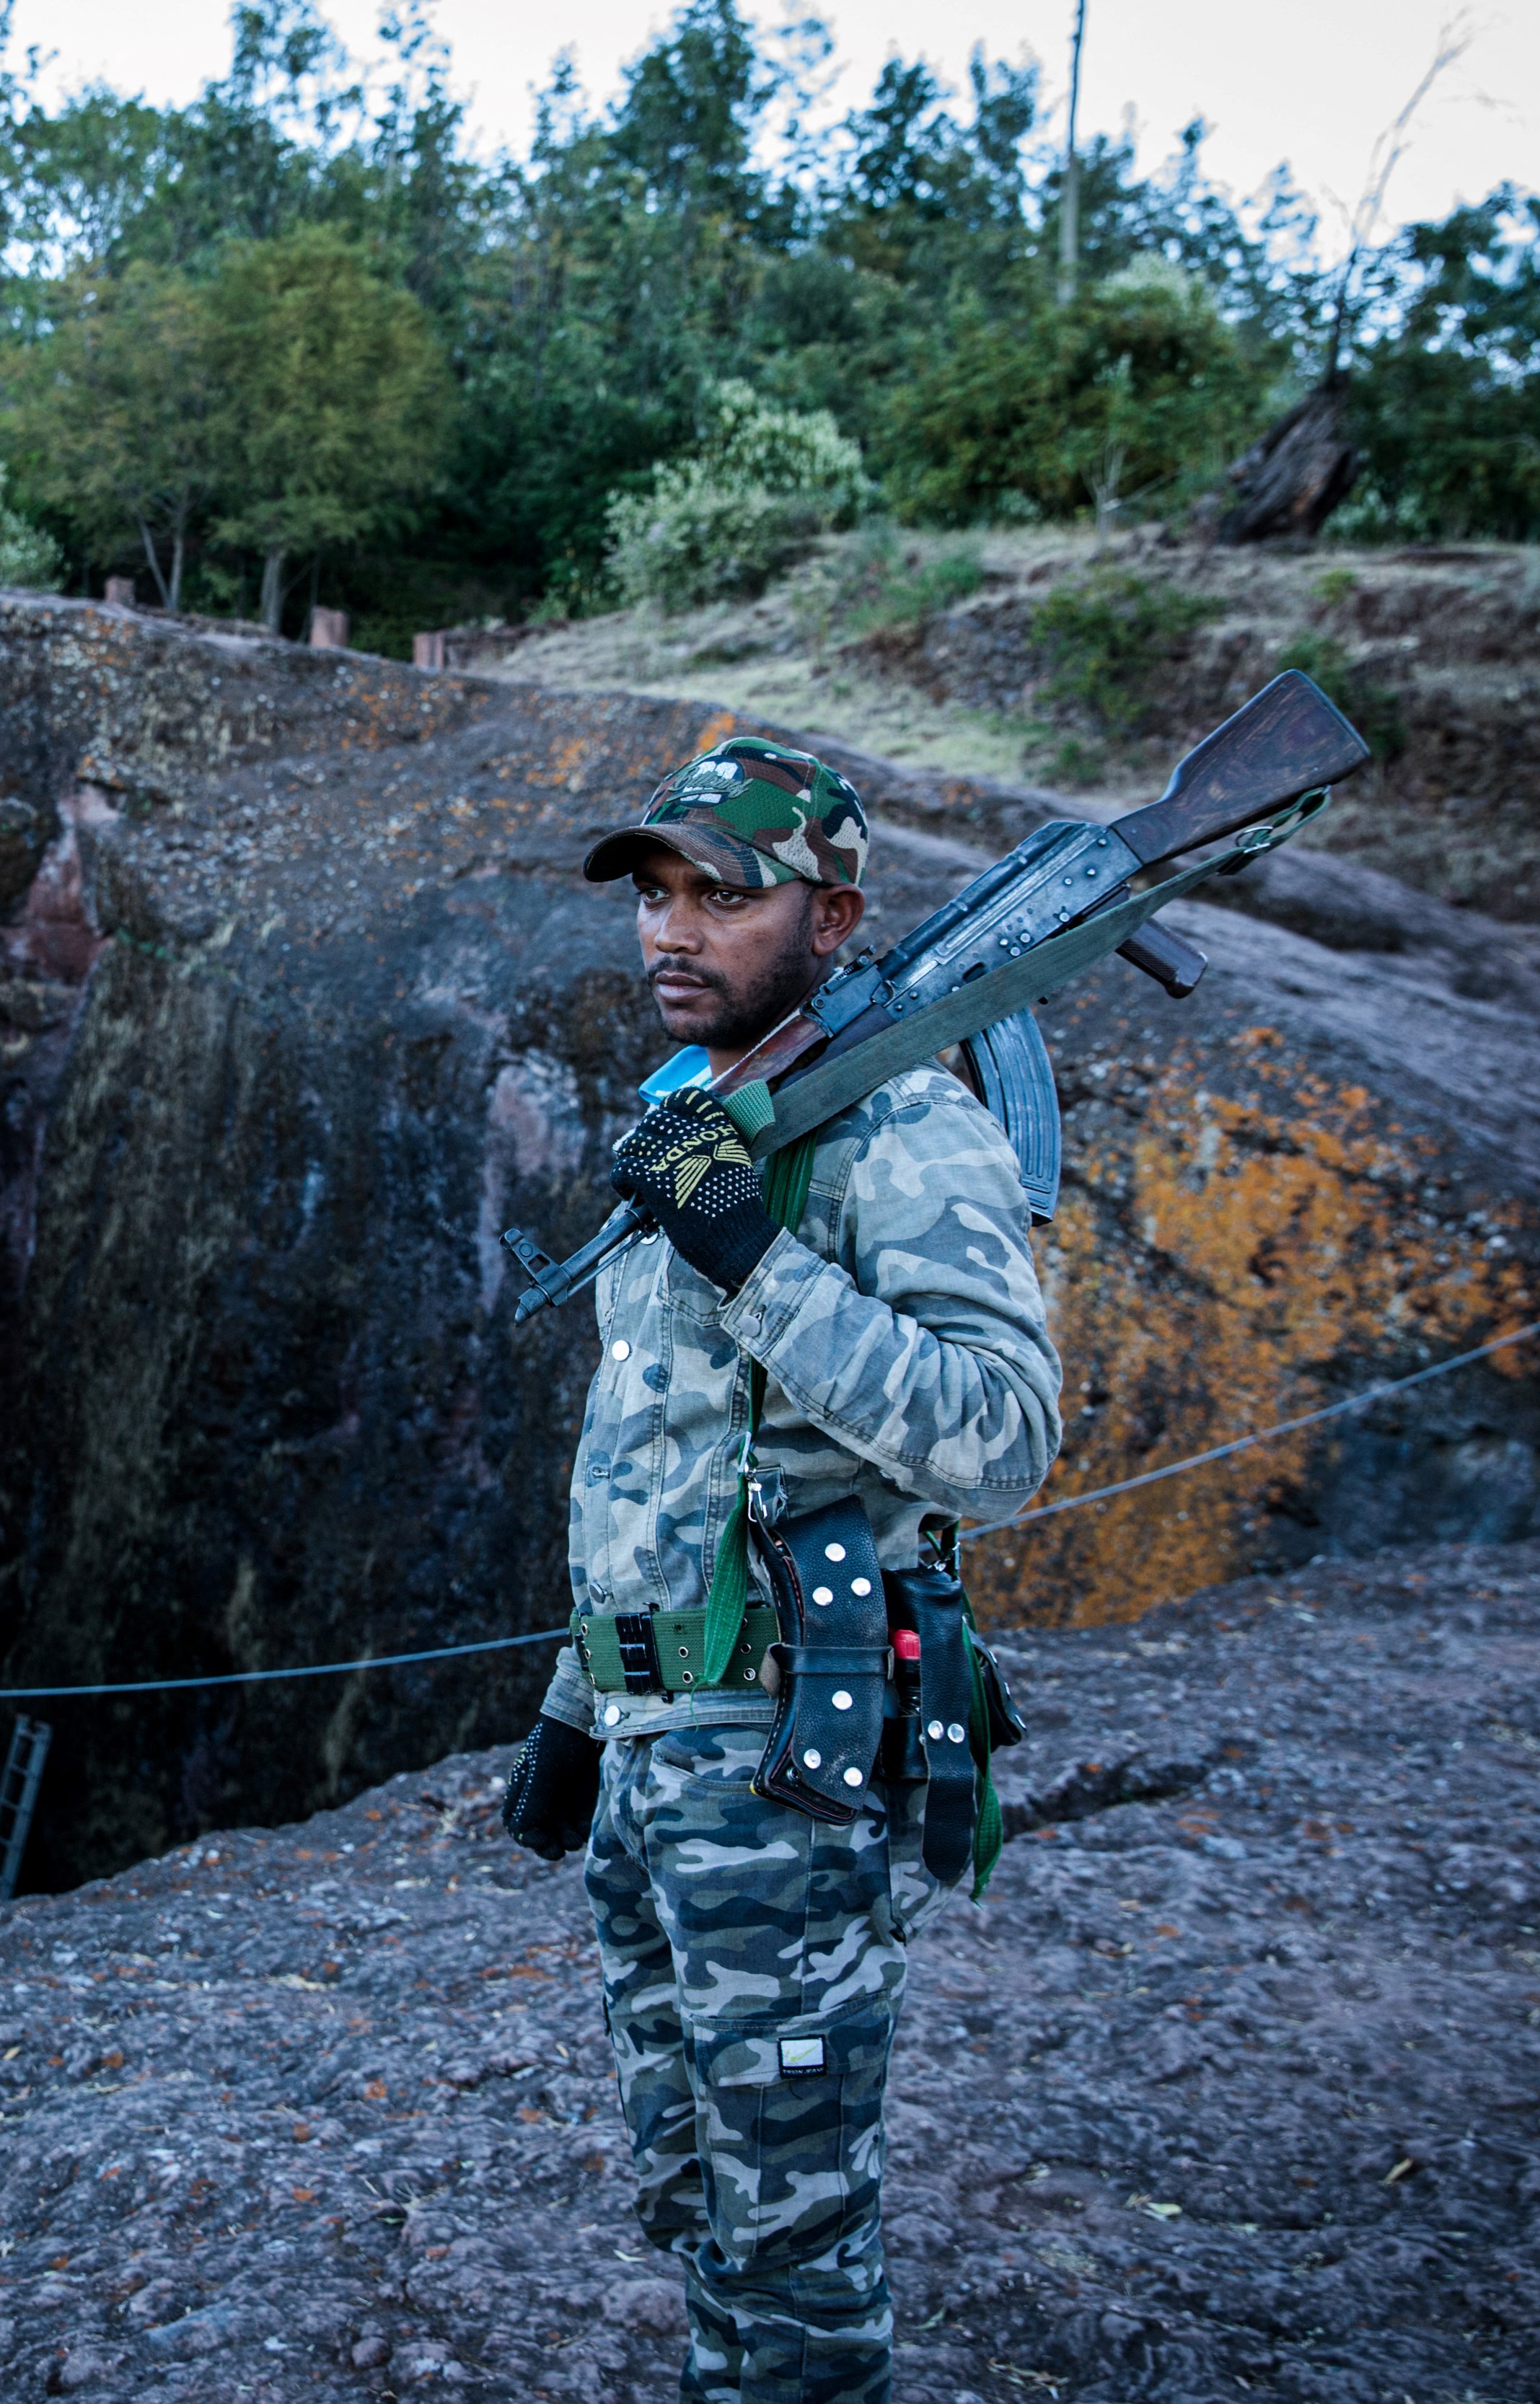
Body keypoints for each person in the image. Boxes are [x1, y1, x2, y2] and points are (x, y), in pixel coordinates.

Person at [499, 735, 1062, 2404]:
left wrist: (748, 1255)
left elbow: (1002, 1435)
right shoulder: (700, 1113)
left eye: (720, 898)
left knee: (798, 2223)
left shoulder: (905, 1132)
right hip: (660, 1747)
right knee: (702, 2198)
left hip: (784, 1772)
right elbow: (653, 1451)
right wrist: (575, 1703)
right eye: (656, 895)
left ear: (832, 914)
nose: (671, 933)